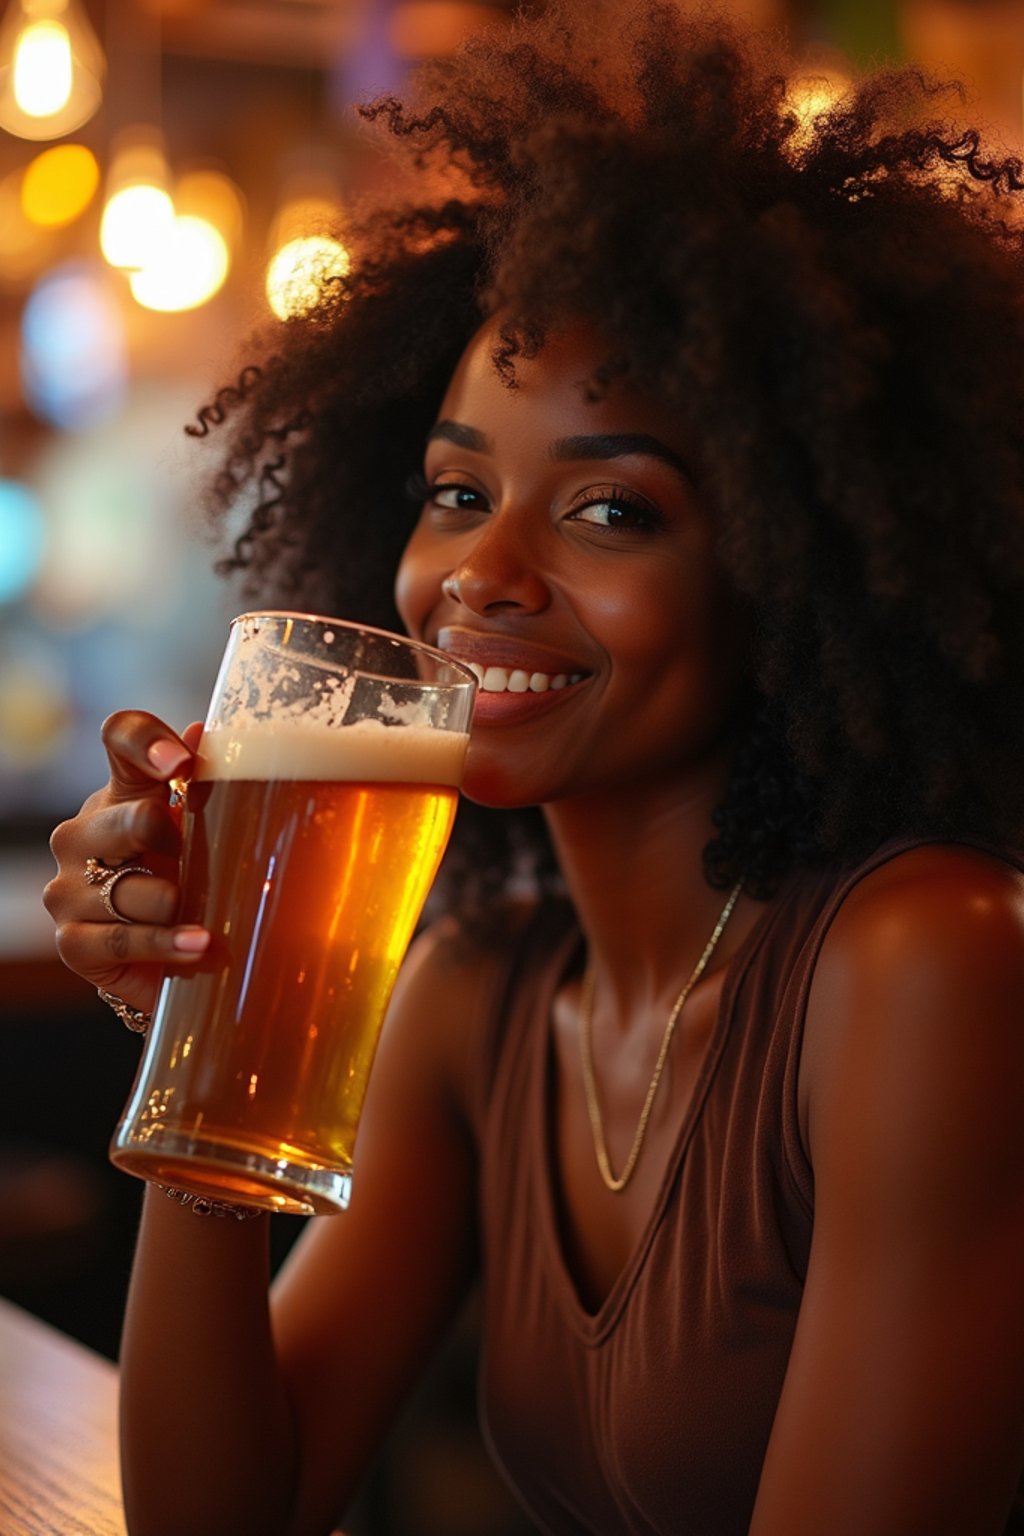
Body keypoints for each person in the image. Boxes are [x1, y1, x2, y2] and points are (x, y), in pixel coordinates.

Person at [43, 3, 1024, 1533]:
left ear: (799, 563)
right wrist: (206, 1024)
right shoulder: (488, 988)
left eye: (611, 510)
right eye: (454, 489)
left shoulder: (926, 963)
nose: (479, 574)